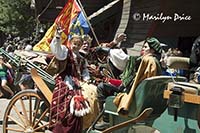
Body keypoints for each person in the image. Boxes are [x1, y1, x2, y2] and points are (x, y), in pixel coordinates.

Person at [95, 37, 163, 130]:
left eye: (145, 47)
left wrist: (108, 51)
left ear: (152, 50)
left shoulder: (147, 60)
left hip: (135, 93)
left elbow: (126, 60)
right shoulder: (155, 61)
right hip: (139, 91)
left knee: (101, 87)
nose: (142, 49)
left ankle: (106, 120)